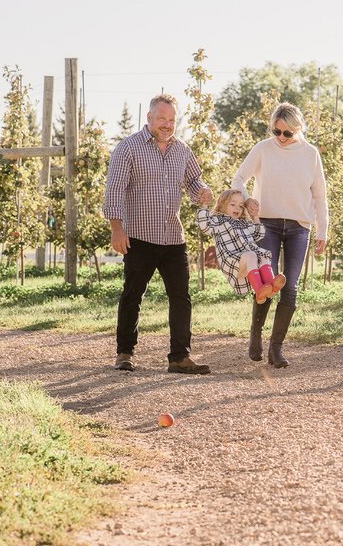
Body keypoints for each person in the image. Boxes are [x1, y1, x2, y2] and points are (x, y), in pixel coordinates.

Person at [103, 94, 213, 374]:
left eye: (172, 119)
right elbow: (114, 189)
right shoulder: (128, 148)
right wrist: (117, 228)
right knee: (133, 295)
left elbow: (194, 181)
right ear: (149, 118)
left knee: (181, 297)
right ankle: (125, 353)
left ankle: (179, 357)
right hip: (138, 235)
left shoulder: (182, 150)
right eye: (162, 118)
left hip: (173, 237)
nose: (167, 124)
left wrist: (202, 192)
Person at [232, 102, 328, 368]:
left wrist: (323, 230)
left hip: (299, 227)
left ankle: (276, 347)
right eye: (277, 132)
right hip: (267, 224)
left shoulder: (310, 154)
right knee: (267, 281)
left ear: (298, 128)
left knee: (290, 287)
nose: (281, 138)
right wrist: (248, 199)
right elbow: (238, 179)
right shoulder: (263, 149)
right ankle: (255, 335)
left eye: (287, 133)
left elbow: (320, 196)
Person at [197, 189, 287, 304]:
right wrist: (204, 204)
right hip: (231, 259)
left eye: (240, 206)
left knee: (262, 255)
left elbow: (259, 234)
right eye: (233, 204)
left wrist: (255, 216)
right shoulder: (218, 221)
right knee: (251, 255)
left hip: (246, 258)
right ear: (222, 205)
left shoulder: (244, 223)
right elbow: (204, 225)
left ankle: (271, 286)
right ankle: (259, 290)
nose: (237, 208)